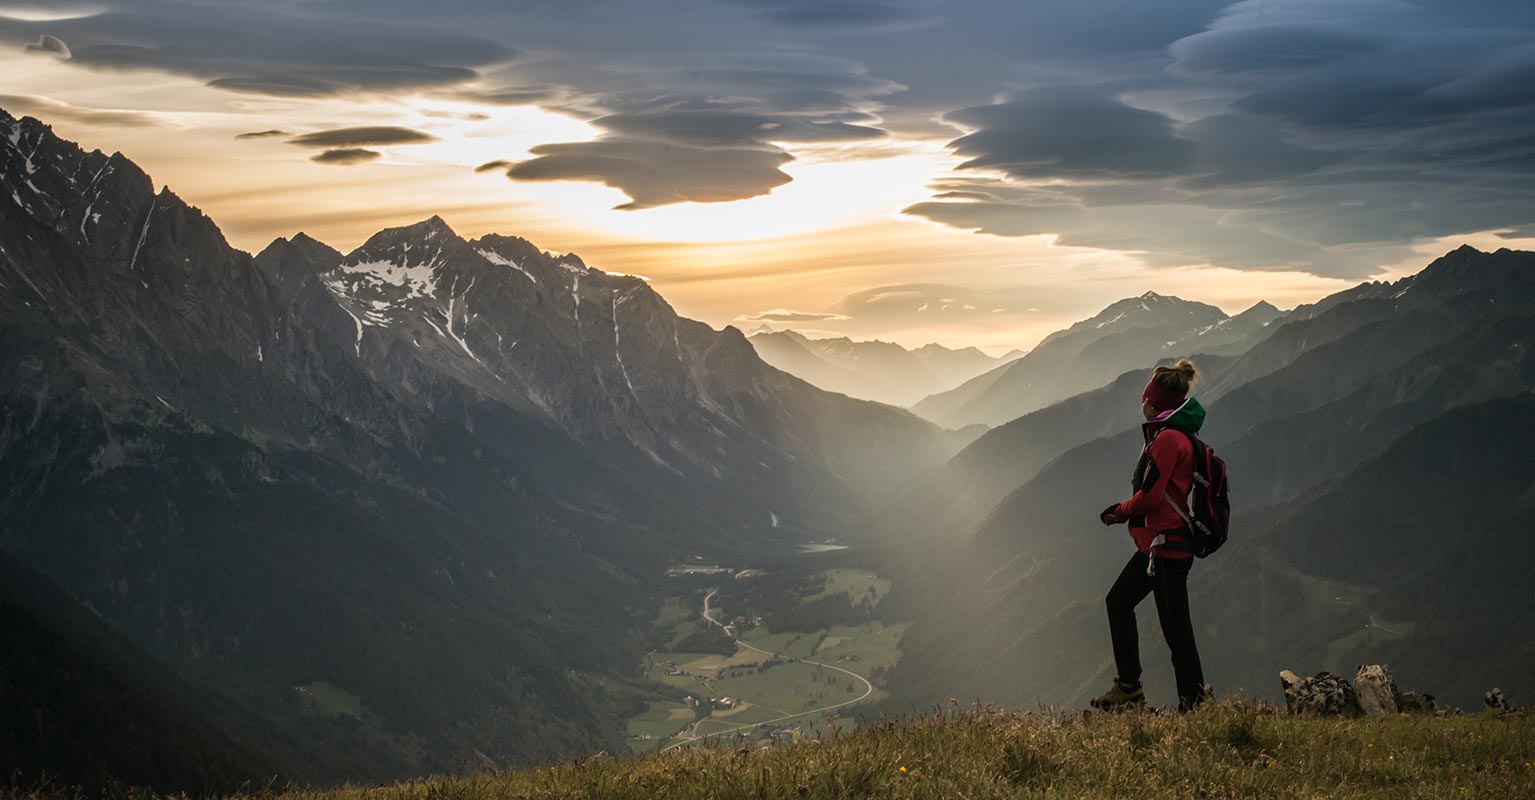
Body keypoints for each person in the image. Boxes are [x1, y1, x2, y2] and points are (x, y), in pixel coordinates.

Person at [1091, 358, 1208, 712]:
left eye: (1145, 397)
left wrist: (1118, 512)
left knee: (1177, 633)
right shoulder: (1170, 434)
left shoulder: (1168, 439)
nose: (1141, 403)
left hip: (1166, 551)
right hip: (1156, 548)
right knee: (1119, 602)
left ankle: (1194, 707)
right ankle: (1129, 687)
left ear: (1153, 402)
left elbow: (1151, 497)